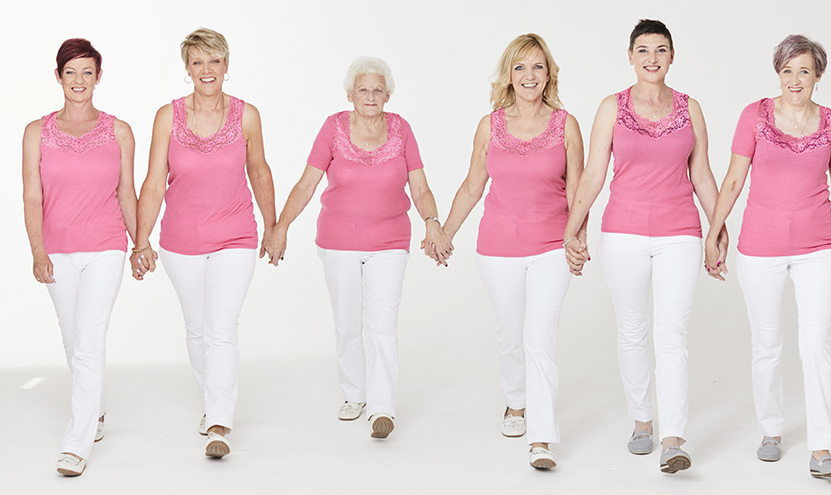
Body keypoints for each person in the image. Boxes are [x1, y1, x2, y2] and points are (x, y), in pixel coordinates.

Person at [562, 19, 726, 474]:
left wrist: (718, 228)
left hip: (680, 234)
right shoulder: (610, 107)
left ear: (672, 57)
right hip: (623, 234)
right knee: (632, 330)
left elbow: (703, 175)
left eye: (660, 50)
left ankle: (673, 439)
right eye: (643, 50)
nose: (652, 58)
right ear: (630, 57)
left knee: (671, 334)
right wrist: (572, 229)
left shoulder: (690, 108)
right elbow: (593, 174)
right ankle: (642, 422)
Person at [264, 56, 450, 439]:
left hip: (390, 242)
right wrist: (281, 227)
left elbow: (420, 187)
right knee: (348, 323)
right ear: (350, 94)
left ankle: (382, 407)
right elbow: (305, 185)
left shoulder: (401, 129)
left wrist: (432, 223)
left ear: (388, 95)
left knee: (382, 323)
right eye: (363, 89)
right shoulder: (333, 128)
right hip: (338, 240)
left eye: (378, 89)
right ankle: (354, 393)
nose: (370, 96)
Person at [704, 34, 831, 479]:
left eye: (804, 71)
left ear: (818, 76)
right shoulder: (753, 116)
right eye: (787, 70)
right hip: (760, 248)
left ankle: (823, 449)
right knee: (767, 344)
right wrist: (713, 233)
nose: (795, 79)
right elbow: (733, 180)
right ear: (778, 73)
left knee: (816, 345)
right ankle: (771, 430)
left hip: (820, 249)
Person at [130, 28, 278, 458]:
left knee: (221, 327)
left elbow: (261, 172)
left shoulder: (247, 115)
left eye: (214, 61)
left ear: (227, 67)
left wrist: (272, 227)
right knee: (197, 328)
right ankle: (211, 400)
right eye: (197, 62)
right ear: (187, 69)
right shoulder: (167, 117)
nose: (207, 70)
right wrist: (141, 242)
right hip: (180, 241)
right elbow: (154, 182)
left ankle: (219, 422)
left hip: (235, 235)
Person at [438, 34, 584, 469]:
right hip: (497, 248)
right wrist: (444, 233)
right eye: (520, 67)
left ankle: (541, 437)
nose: (529, 76)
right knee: (510, 334)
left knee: (539, 338)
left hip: (550, 247)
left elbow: (579, 190)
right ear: (509, 75)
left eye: (538, 67)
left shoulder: (566, 124)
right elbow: (471, 187)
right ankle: (515, 402)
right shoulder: (490, 125)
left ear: (549, 74)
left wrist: (577, 239)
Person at [22, 38, 137, 476]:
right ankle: (98, 409)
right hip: (56, 249)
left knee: (89, 341)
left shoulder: (119, 130)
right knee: (73, 340)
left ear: (98, 77)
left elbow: (127, 191)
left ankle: (77, 443)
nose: (79, 80)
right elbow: (32, 196)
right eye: (71, 72)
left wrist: (139, 243)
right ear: (58, 77)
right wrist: (37, 250)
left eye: (87, 72)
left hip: (106, 245)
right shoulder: (36, 131)